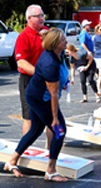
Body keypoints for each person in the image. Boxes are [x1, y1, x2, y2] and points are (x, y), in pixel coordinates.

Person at [4, 28, 69, 182]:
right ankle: (51, 171)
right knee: (59, 130)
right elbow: (52, 95)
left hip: (37, 95)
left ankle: (11, 161)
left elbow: (59, 78)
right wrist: (54, 118)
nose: (66, 41)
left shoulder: (58, 54)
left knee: (35, 129)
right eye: (63, 40)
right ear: (55, 44)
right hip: (40, 99)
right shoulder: (50, 63)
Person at [15, 5, 47, 136]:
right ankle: (25, 150)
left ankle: (51, 152)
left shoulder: (46, 31)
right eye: (38, 16)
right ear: (29, 18)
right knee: (29, 118)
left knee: (50, 116)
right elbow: (21, 62)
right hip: (29, 80)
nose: (42, 18)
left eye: (42, 15)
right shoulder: (23, 37)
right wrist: (38, 73)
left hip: (46, 79)